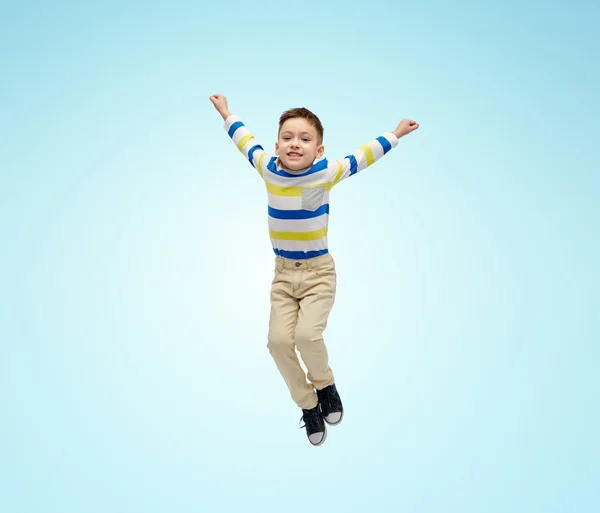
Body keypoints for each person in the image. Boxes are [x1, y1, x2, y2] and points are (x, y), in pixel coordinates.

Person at [209, 94, 419, 446]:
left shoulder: (326, 172)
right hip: (283, 277)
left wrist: (396, 133)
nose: (295, 144)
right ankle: (308, 404)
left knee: (307, 336)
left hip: (319, 274)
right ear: (276, 146)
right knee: (277, 343)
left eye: (305, 139)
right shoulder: (267, 168)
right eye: (288, 138)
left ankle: (325, 386)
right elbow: (245, 141)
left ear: (318, 150)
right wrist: (227, 114)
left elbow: (362, 157)